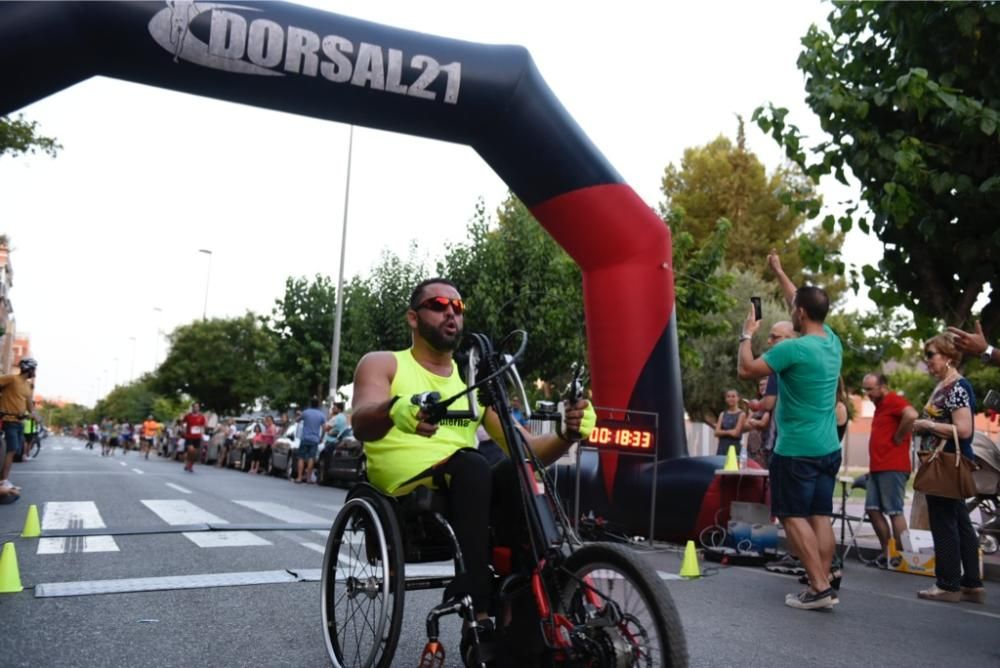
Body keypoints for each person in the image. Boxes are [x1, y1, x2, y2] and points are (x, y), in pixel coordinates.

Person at [351, 277, 594, 662]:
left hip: (467, 484)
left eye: (458, 307)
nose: (451, 311)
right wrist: (394, 409)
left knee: (515, 473)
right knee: (473, 465)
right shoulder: (384, 363)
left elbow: (528, 450)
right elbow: (361, 421)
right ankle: (477, 613)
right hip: (405, 492)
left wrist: (568, 432)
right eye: (439, 304)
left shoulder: (473, 383)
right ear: (413, 318)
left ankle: (535, 614)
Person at [738, 252, 843, 610]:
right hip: (829, 447)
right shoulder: (831, 339)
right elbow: (797, 299)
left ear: (799, 314)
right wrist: (780, 272)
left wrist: (746, 334)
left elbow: (747, 369)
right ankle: (823, 583)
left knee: (791, 515)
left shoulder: (792, 350)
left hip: (796, 449)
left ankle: (817, 586)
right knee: (820, 515)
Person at [910, 334, 985, 604]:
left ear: (949, 357)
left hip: (946, 463)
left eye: (931, 355)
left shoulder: (956, 388)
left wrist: (927, 425)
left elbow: (964, 429)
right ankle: (971, 584)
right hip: (948, 461)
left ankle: (948, 583)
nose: (926, 361)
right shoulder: (948, 386)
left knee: (943, 523)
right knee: (961, 522)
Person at [861, 373, 918, 567]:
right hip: (878, 467)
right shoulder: (880, 406)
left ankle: (902, 557)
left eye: (870, 389)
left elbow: (912, 414)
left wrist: (900, 436)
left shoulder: (893, 400)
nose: (867, 393)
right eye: (865, 389)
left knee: (894, 511)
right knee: (872, 510)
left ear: (882, 386)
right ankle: (887, 553)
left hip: (893, 466)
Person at [0, 357, 36, 489]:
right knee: (12, 449)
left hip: (20, 423)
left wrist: (35, 416)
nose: (34, 372)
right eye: (33, 369)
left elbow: (29, 406)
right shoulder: (11, 379)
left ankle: (4, 479)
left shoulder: (28, 386)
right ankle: (3, 481)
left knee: (14, 451)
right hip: (8, 420)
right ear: (28, 369)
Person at [744, 377, 772, 468]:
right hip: (752, 445)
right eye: (761, 385)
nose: (763, 387)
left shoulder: (770, 405)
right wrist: (752, 417)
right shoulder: (756, 404)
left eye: (766, 384)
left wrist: (753, 421)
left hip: (764, 444)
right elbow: (745, 426)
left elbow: (763, 424)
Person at [297, 398, 326, 484]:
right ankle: (309, 478)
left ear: (310, 404)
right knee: (311, 458)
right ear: (318, 405)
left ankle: (299, 477)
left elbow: (297, 420)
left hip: (305, 438)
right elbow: (324, 428)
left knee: (301, 457)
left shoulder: (306, 412)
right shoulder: (321, 415)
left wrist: (299, 415)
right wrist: (321, 437)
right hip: (314, 440)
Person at [714, 389, 746, 456]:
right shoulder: (722, 414)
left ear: (738, 398)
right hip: (722, 448)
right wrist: (729, 432)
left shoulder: (741, 414)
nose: (731, 398)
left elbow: (736, 433)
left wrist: (722, 432)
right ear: (726, 399)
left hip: (734, 448)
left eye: (733, 396)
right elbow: (716, 432)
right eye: (728, 396)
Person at [181, 402, 206, 473]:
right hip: (189, 436)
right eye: (195, 407)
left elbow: (203, 426)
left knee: (195, 453)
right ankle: (187, 463)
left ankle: (190, 465)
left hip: (197, 436)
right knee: (190, 450)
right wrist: (183, 429)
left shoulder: (201, 417)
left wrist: (202, 433)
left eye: (197, 407)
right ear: (193, 408)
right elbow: (183, 423)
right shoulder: (188, 416)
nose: (196, 408)